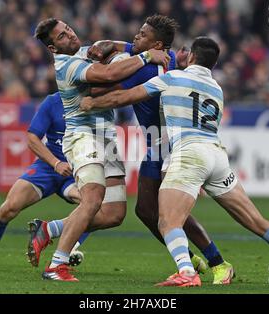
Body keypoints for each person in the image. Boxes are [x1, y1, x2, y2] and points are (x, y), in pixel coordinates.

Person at [80, 36, 269, 287]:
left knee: (167, 221)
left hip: (189, 154)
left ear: (193, 57)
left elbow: (125, 97)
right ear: (214, 64)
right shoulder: (217, 89)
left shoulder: (172, 78)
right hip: (217, 156)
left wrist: (92, 102)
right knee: (257, 221)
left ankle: (186, 272)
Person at [86, 15, 234, 284]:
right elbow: (124, 46)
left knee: (169, 213)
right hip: (158, 145)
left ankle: (216, 262)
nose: (135, 37)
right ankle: (191, 260)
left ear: (156, 44)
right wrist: (114, 48)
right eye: (138, 32)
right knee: (146, 210)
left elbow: (101, 89)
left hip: (167, 145)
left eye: (142, 35)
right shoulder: (173, 61)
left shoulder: (144, 69)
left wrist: (85, 82)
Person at [28, 18, 170, 281]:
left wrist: (127, 47)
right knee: (92, 199)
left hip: (107, 138)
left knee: (114, 213)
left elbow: (123, 49)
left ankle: (50, 230)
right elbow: (109, 75)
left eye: (68, 29)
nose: (70, 35)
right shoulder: (67, 65)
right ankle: (57, 266)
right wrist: (149, 55)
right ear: (52, 48)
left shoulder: (83, 52)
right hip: (83, 138)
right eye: (61, 37)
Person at [0, 93, 89, 271]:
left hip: (79, 170)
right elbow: (32, 138)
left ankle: (70, 247)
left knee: (93, 204)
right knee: (9, 207)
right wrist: (56, 163)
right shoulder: (53, 102)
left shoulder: (95, 101)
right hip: (50, 166)